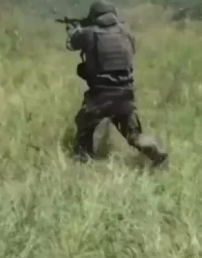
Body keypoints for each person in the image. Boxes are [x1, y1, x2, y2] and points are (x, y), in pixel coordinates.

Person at [65, 0, 168, 167]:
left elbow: (72, 43)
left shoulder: (89, 33)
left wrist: (73, 29)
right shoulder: (126, 32)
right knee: (134, 136)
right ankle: (154, 151)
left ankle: (83, 161)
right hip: (125, 94)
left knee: (84, 126)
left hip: (100, 96)